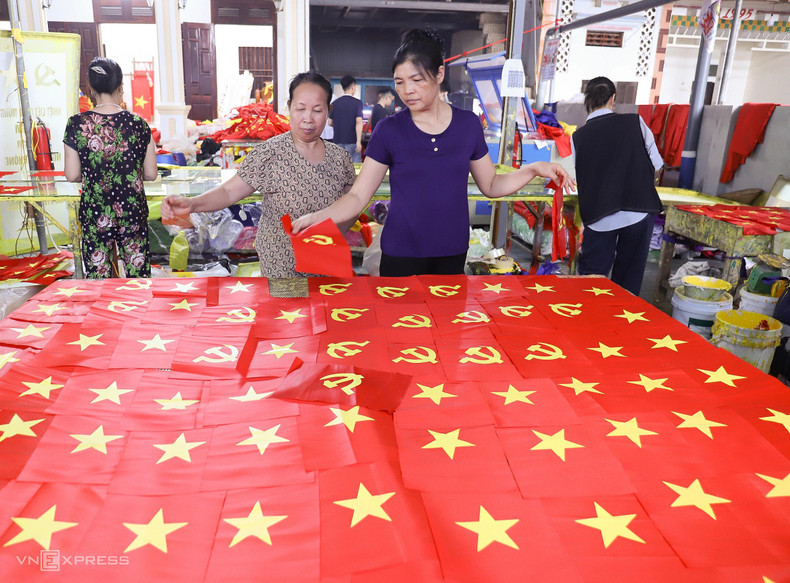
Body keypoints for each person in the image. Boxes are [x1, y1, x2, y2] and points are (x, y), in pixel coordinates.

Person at [292, 29, 572, 277]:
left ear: (439, 74)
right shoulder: (389, 130)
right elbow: (357, 196)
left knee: (446, 321)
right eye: (399, 82)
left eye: (416, 80)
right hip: (400, 253)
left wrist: (533, 169)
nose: (407, 91)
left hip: (452, 252)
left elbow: (491, 185)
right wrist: (319, 217)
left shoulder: (467, 125)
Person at [160, 72, 356, 279]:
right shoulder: (270, 152)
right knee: (288, 302)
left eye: (317, 110)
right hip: (282, 264)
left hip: (327, 262)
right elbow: (229, 192)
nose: (308, 118)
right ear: (289, 106)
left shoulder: (340, 158)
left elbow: (352, 203)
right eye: (300, 109)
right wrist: (192, 204)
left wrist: (334, 232)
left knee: (325, 301)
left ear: (328, 111)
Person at [63, 57, 157, 279]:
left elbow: (72, 174)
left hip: (95, 210)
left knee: (99, 279)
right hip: (132, 210)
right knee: (138, 278)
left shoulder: (76, 124)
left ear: (91, 89)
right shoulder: (138, 124)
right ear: (121, 87)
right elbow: (151, 173)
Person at [572, 76, 663, 295]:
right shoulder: (635, 122)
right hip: (638, 210)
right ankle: (623, 314)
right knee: (629, 281)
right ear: (613, 99)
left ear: (587, 101)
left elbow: (581, 175)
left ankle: (589, 313)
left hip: (599, 215)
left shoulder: (578, 137)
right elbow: (657, 164)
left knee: (591, 281)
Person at [329, 75, 364, 163]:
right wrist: (358, 142)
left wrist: (340, 125)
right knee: (354, 166)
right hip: (352, 141)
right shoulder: (357, 103)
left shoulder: (335, 103)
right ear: (353, 87)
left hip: (337, 141)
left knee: (339, 166)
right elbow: (359, 122)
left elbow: (330, 122)